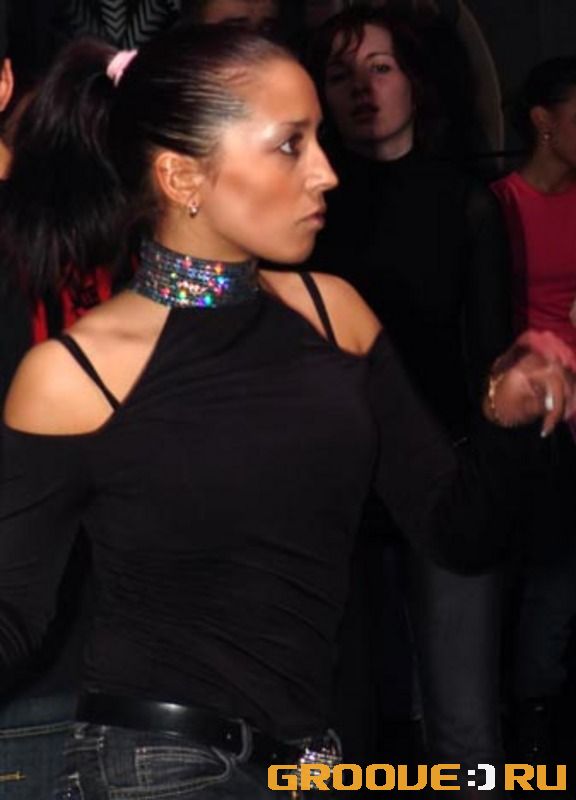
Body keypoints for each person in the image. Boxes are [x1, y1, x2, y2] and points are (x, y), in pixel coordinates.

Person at [0, 23, 570, 800]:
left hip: (315, 757)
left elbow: (457, 533)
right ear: (182, 176)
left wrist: (507, 421)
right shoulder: (77, 374)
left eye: (319, 141)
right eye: (290, 145)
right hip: (156, 762)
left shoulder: (336, 317)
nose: (327, 172)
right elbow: (14, 617)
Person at [306, 7, 513, 793]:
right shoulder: (307, 211)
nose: (363, 88)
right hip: (337, 485)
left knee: (463, 720)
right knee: (341, 724)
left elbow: (488, 354)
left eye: (380, 68)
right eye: (340, 75)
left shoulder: (465, 201)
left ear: (414, 82)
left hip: (443, 474)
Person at [492, 57, 576, 764]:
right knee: (548, 570)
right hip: (529, 410)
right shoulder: (498, 202)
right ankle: (531, 717)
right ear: (544, 122)